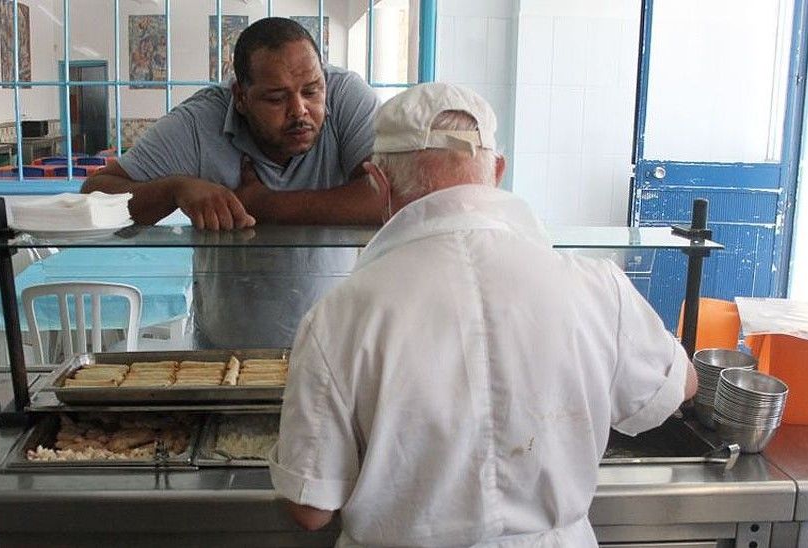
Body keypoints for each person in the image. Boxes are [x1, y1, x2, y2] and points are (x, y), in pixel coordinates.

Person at [268, 82, 699, 547]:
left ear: (379, 181)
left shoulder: (340, 316)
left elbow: (311, 508)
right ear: (496, 170)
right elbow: (679, 387)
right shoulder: (595, 285)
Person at [83, 17, 381, 348]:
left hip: (333, 350)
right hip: (225, 355)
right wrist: (175, 189)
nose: (300, 111)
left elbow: (386, 198)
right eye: (275, 98)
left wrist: (262, 204)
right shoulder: (199, 123)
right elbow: (94, 197)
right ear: (240, 96)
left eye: (312, 91)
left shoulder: (347, 94)